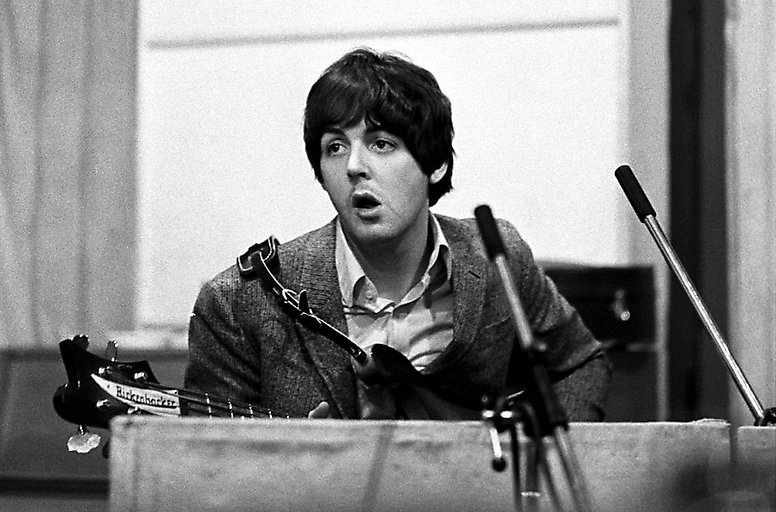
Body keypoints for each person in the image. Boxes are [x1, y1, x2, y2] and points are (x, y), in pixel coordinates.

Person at [184, 47, 610, 421]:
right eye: (335, 147)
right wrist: (301, 465)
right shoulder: (241, 301)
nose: (354, 166)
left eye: (381, 144)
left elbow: (581, 363)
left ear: (436, 164)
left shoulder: (496, 258)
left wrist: (533, 463)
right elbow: (208, 462)